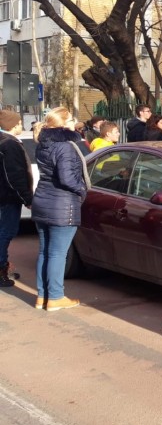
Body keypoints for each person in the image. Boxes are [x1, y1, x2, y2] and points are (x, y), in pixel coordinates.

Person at [31, 107, 89, 311]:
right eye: (72, 119)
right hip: (62, 205)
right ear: (64, 123)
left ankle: (42, 296)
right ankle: (55, 297)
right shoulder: (65, 146)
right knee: (57, 253)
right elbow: (67, 178)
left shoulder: (43, 144)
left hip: (42, 200)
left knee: (45, 252)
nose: (75, 122)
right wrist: (82, 189)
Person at [0, 111, 33, 287]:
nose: (21, 125)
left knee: (4, 232)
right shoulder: (10, 144)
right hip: (8, 197)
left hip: (5, 196)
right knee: (6, 232)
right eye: (20, 123)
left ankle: (4, 267)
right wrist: (26, 198)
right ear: (13, 125)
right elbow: (14, 176)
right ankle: (1, 271)